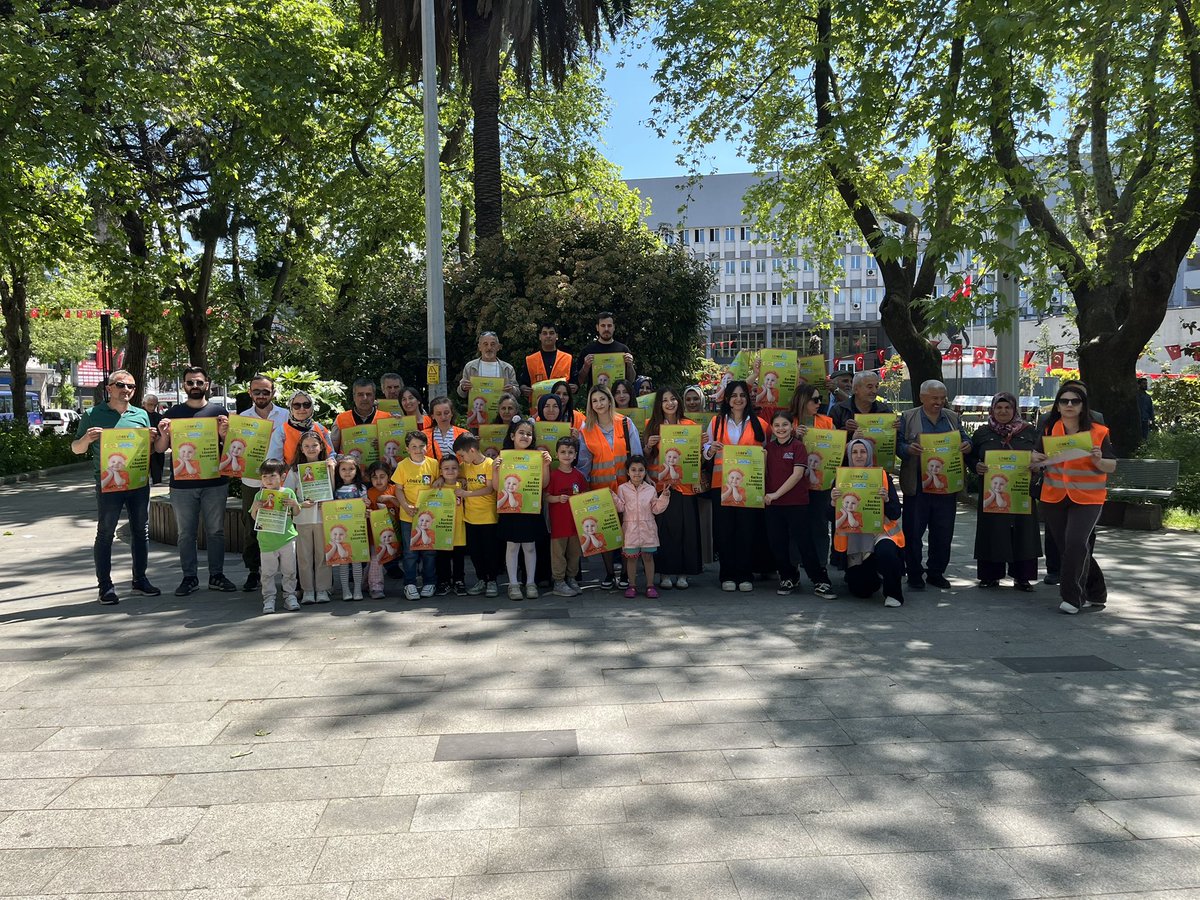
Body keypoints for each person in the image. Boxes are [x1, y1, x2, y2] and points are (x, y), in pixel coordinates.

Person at [72, 370, 160, 605]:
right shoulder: (92, 414)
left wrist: (150, 441)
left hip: (138, 482)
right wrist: (87, 439)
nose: (126, 389)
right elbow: (76, 449)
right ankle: (105, 586)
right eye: (120, 385)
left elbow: (148, 452)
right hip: (108, 484)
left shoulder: (141, 414)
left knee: (141, 531)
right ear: (109, 388)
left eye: (131, 386)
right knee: (106, 533)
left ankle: (140, 580)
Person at [154, 366, 238, 597]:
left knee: (216, 532)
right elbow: (160, 449)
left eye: (199, 382)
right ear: (184, 385)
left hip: (215, 481)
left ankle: (216, 576)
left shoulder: (219, 411)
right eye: (190, 382)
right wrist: (163, 435)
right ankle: (189, 577)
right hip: (182, 485)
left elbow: (230, 445)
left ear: (207, 384)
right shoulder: (172, 414)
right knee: (185, 534)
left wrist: (224, 433)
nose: (195, 386)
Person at [1034, 383, 1116, 614]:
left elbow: (1111, 465)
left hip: (1088, 497)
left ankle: (1072, 597)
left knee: (1076, 543)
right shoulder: (1050, 429)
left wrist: (1099, 460)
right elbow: (1036, 459)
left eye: (1075, 401)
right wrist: (1035, 459)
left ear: (1083, 406)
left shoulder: (1099, 432)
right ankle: (1097, 592)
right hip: (1054, 496)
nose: (1069, 405)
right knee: (1071, 549)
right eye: (1064, 401)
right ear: (1058, 405)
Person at [897, 379, 971, 591]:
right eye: (934, 398)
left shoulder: (952, 418)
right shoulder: (908, 417)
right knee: (913, 532)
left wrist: (967, 446)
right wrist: (907, 449)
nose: (939, 402)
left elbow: (965, 440)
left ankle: (936, 572)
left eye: (942, 398)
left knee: (943, 531)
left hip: (945, 484)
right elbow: (897, 444)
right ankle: (914, 573)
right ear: (922, 398)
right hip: (918, 484)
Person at [967, 392, 1041, 590]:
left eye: (1007, 407)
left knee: (1023, 531)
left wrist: (1036, 466)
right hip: (992, 490)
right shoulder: (983, 433)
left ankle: (1022, 577)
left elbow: (1042, 456)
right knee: (992, 530)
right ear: (992, 410)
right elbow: (971, 457)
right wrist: (976, 466)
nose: (1003, 411)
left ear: (1014, 409)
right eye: (999, 408)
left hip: (1020, 490)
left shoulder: (1029, 432)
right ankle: (990, 575)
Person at [704, 380, 768, 592]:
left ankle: (745, 574)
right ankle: (727, 575)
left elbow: (770, 451)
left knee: (746, 530)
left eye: (742, 395)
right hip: (720, 484)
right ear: (727, 399)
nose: (738, 399)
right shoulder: (716, 422)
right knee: (724, 531)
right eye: (734, 396)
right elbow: (705, 452)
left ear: (748, 398)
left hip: (748, 486)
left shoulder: (760, 424)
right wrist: (711, 449)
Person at [577, 385, 643, 589]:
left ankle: (624, 573)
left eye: (602, 399)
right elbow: (584, 462)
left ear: (609, 400)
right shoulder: (586, 429)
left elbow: (636, 455)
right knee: (604, 531)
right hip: (600, 487)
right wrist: (582, 489)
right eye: (594, 401)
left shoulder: (625, 423)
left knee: (626, 531)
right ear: (590, 404)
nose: (599, 404)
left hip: (626, 487)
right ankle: (608, 573)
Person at [763, 410, 836, 597]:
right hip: (773, 505)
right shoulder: (768, 449)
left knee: (805, 542)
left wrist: (775, 494)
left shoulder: (798, 447)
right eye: (777, 425)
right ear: (772, 428)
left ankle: (819, 580)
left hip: (795, 503)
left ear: (792, 427)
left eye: (785, 425)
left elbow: (797, 475)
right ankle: (788, 577)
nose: (781, 429)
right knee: (777, 543)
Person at [833, 438, 907, 608]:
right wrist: (832, 502)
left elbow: (895, 512)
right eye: (854, 452)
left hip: (880, 533)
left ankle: (893, 593)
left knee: (887, 554)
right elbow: (830, 516)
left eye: (863, 451)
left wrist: (886, 499)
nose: (859, 455)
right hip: (854, 540)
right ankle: (874, 573)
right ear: (849, 455)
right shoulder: (840, 479)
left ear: (869, 454)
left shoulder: (882, 476)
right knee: (862, 591)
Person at [644, 388, 703, 589]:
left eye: (673, 399)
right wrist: (648, 446)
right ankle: (665, 573)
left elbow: (698, 459)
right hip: (662, 487)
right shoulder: (651, 426)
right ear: (659, 405)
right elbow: (644, 458)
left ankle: (683, 573)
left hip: (685, 487)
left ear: (678, 401)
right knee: (665, 531)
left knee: (687, 530)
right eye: (665, 400)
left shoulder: (690, 426)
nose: (670, 403)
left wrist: (701, 446)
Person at [235, 374, 289, 592]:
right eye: (256, 391)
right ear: (250, 393)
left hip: (280, 480)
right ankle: (253, 571)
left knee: (286, 524)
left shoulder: (285, 415)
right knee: (251, 525)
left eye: (265, 391)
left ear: (273, 393)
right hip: (251, 479)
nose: (261, 395)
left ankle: (289, 572)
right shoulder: (242, 418)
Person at [495, 417, 551, 600]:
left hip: (530, 508)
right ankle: (513, 584)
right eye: (521, 432)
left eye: (529, 434)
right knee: (511, 547)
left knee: (530, 547)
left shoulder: (537, 457)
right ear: (512, 435)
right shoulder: (503, 457)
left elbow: (544, 484)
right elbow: (496, 487)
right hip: (510, 511)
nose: (525, 436)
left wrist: (545, 465)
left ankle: (530, 583)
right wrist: (495, 470)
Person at [787, 383, 836, 576]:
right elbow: (775, 445)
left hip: (820, 483)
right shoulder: (789, 421)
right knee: (795, 525)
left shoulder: (826, 421)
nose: (819, 403)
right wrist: (792, 435)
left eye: (820, 399)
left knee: (820, 524)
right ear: (803, 400)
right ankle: (794, 568)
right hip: (793, 482)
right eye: (815, 400)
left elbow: (835, 448)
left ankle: (820, 565)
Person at [284, 430, 335, 604]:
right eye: (307, 446)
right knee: (304, 556)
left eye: (314, 445)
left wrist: (332, 469)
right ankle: (307, 590)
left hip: (323, 517)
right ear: (301, 449)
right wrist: (299, 504)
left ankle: (322, 589)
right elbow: (288, 495)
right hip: (303, 518)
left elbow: (333, 491)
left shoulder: (328, 467)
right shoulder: (295, 471)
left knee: (322, 555)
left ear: (321, 447)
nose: (311, 448)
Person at [249, 459, 303, 614]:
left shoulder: (288, 492)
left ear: (282, 476)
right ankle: (269, 599)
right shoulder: (260, 495)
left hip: (287, 538)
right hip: (266, 541)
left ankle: (290, 596)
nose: (268, 480)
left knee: (290, 570)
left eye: (272, 476)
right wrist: (255, 508)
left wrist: (294, 504)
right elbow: (254, 517)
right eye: (264, 477)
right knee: (267, 572)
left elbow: (296, 513)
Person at [391, 431, 440, 600]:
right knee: (410, 551)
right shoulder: (402, 466)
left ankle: (429, 582)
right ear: (407, 448)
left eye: (421, 446)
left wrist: (439, 480)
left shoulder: (433, 464)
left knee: (429, 551)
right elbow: (398, 489)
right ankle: (410, 583)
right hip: (408, 515)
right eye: (414, 447)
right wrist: (405, 505)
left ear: (426, 447)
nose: (418, 450)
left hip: (429, 515)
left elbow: (440, 480)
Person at [614, 455, 671, 599]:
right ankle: (632, 585)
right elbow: (620, 508)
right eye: (633, 470)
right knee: (631, 558)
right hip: (630, 530)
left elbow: (656, 509)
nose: (637, 473)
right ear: (627, 472)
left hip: (648, 529)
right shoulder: (622, 489)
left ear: (645, 472)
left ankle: (650, 585)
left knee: (648, 557)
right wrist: (612, 497)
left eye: (640, 470)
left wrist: (664, 497)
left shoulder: (650, 489)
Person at [454, 433, 501, 597]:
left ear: (472, 450)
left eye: (462, 455)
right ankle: (481, 579)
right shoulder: (465, 465)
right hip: (470, 517)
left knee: (490, 551)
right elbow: (456, 475)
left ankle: (492, 580)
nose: (461, 458)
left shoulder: (489, 464)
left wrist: (466, 493)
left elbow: (489, 489)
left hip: (488, 517)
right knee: (475, 552)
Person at [546, 436, 588, 597]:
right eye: (563, 452)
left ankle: (571, 578)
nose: (567, 455)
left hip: (576, 524)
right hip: (559, 524)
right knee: (558, 553)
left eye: (570, 452)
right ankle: (558, 581)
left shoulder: (579, 476)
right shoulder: (554, 475)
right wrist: (558, 499)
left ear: (575, 455)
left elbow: (584, 494)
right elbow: (546, 497)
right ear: (557, 454)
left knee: (574, 553)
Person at [331, 457, 368, 600]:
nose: (347, 472)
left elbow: (366, 507)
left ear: (357, 470)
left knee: (357, 560)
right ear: (338, 471)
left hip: (357, 528)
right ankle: (346, 590)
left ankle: (357, 589)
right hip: (340, 530)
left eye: (351, 469)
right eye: (343, 469)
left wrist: (366, 505)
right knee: (343, 561)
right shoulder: (335, 489)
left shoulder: (361, 488)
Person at [365, 461, 401, 599]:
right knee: (376, 559)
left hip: (394, 532)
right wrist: (367, 511)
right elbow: (365, 512)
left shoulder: (394, 490)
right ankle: (376, 587)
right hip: (376, 535)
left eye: (382, 476)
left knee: (374, 562)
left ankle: (365, 583)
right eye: (374, 477)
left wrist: (390, 498)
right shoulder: (369, 493)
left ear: (389, 476)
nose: (378, 480)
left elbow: (402, 506)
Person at [573, 311, 636, 387]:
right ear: (597, 327)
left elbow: (631, 380)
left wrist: (630, 365)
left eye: (609, 325)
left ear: (614, 327)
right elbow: (579, 381)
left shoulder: (623, 350)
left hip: (618, 397)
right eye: (603, 325)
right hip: (595, 397)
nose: (606, 329)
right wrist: (585, 367)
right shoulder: (588, 351)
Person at [434, 454, 468, 596]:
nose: (450, 471)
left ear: (459, 470)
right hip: (442, 528)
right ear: (440, 471)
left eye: (454, 468)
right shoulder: (437, 486)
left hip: (460, 528)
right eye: (446, 468)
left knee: (459, 557)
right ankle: (444, 581)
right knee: (442, 557)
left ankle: (459, 580)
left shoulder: (463, 485)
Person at [333, 378, 392, 453]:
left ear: (374, 396)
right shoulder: (341, 419)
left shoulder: (387, 418)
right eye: (360, 395)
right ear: (354, 397)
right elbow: (332, 450)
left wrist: (383, 444)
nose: (364, 398)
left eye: (368, 394)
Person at [457, 331, 520, 400]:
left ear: (498, 347)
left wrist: (512, 389)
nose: (489, 348)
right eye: (485, 344)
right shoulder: (470, 367)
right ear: (479, 347)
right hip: (477, 409)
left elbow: (517, 393)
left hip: (501, 410)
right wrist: (463, 388)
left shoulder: (508, 368)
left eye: (492, 344)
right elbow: (461, 394)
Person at [521, 322, 575, 400]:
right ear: (540, 336)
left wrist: (574, 387)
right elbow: (523, 383)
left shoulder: (567, 358)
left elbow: (575, 382)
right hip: (537, 408)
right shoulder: (530, 360)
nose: (548, 336)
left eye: (551, 333)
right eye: (545, 333)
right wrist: (524, 389)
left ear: (557, 336)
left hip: (562, 407)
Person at [830, 370, 895, 432]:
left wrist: (894, 429)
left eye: (876, 386)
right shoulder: (839, 410)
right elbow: (831, 438)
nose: (874, 391)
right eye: (869, 387)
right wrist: (846, 430)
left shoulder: (884, 410)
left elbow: (898, 439)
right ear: (855, 389)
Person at [281, 390, 335, 464]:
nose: (302, 409)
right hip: (291, 474)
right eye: (297, 405)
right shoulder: (282, 431)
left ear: (312, 406)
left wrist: (331, 462)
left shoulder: (320, 428)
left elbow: (331, 454)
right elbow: (275, 461)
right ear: (291, 408)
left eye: (306, 404)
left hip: (321, 473)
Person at [423, 396, 469, 462]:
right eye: (438, 414)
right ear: (432, 416)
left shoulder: (463, 434)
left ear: (452, 413)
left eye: (446, 413)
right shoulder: (424, 435)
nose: (443, 417)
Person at [142, 393, 165, 484]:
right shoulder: (139, 415)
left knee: (157, 472)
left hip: (157, 448)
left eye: (154, 405)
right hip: (143, 449)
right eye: (150, 404)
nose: (152, 407)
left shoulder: (159, 417)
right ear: (144, 404)